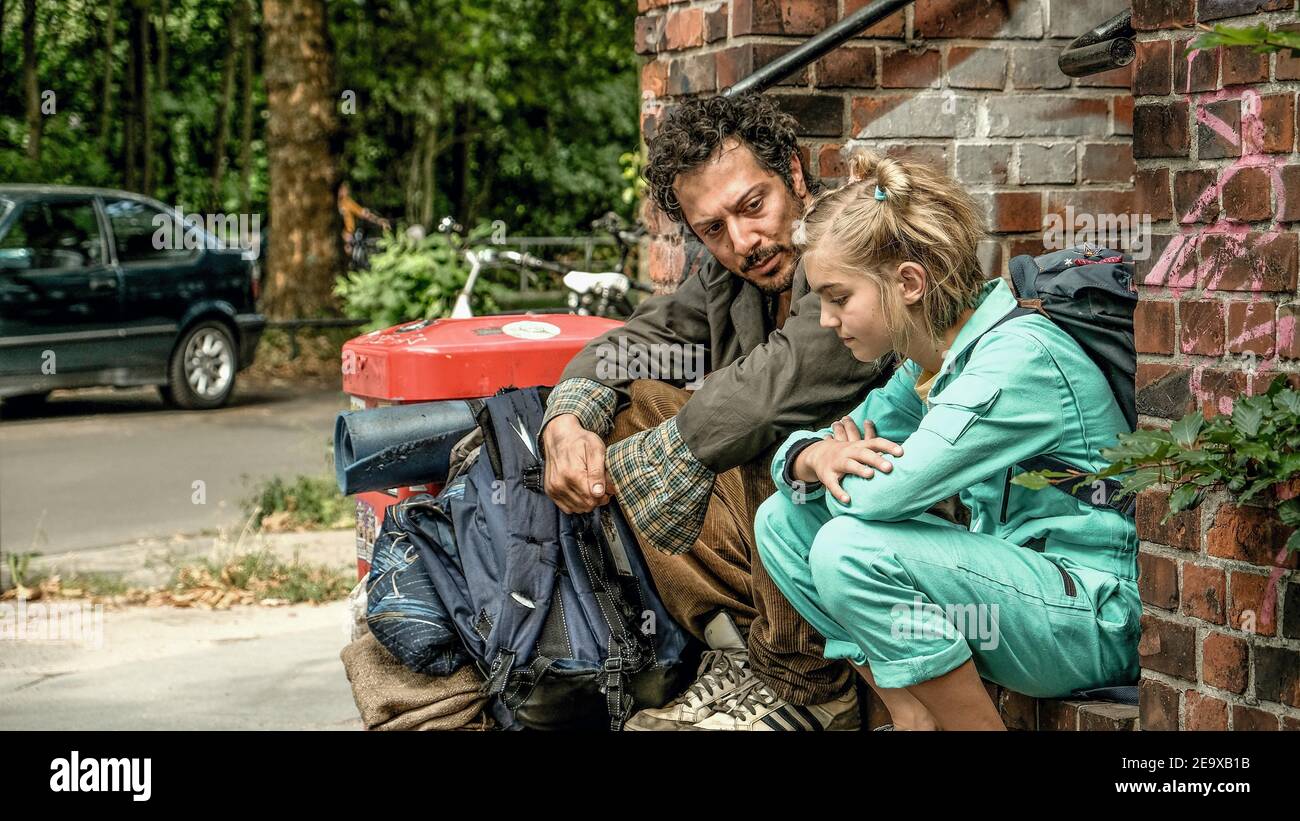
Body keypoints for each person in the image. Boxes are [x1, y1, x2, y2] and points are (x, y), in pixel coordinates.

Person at [539, 93, 894, 730]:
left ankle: (807, 690)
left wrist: (658, 460)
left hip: (881, 520)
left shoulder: (853, 242)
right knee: (626, 409)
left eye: (753, 206)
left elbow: (779, 386)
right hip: (791, 538)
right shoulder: (729, 277)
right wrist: (567, 419)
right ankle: (743, 657)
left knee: (772, 439)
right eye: (712, 229)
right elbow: (632, 344)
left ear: (792, 171)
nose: (742, 242)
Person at [754, 149, 1141, 730]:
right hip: (1015, 594)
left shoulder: (1016, 360)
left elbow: (883, 496)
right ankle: (912, 713)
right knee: (783, 522)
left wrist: (827, 463)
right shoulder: (933, 364)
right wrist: (813, 457)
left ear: (908, 282)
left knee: (851, 549)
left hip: (1088, 618)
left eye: (838, 297)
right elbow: (831, 447)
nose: (827, 320)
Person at [337, 181, 390, 266]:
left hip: (350, 237)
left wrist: (379, 221)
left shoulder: (347, 201)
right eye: (343, 189)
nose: (345, 192)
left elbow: (363, 213)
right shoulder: (331, 205)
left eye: (346, 189)